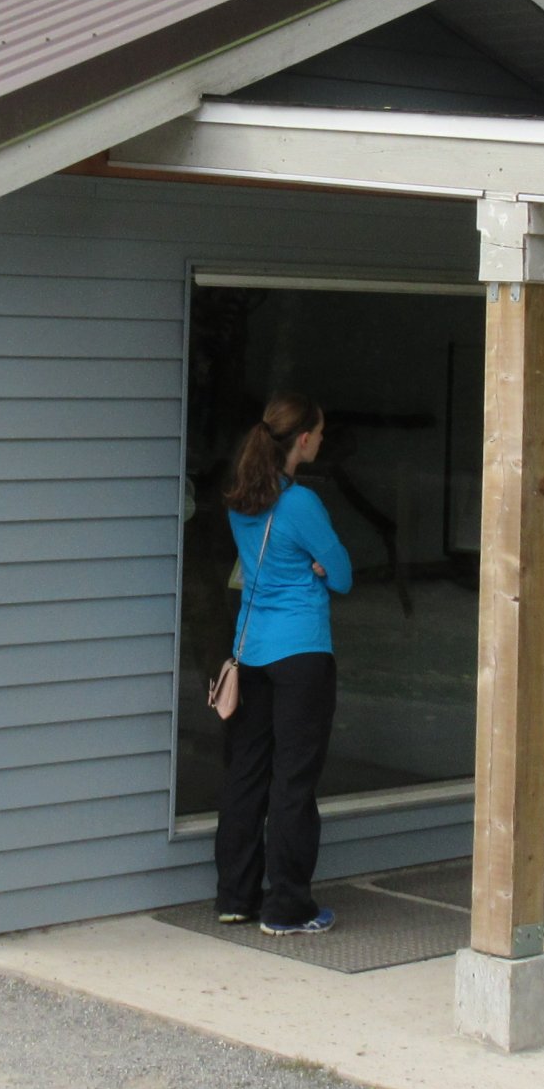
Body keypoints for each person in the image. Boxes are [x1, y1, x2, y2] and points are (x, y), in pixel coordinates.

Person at [216, 392, 353, 934]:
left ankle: (236, 897)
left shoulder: (240, 499)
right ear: (302, 440)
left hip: (251, 653)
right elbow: (342, 574)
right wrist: (317, 567)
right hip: (301, 654)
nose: (322, 440)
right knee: (293, 781)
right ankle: (288, 906)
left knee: (246, 775)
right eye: (319, 432)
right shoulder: (301, 504)